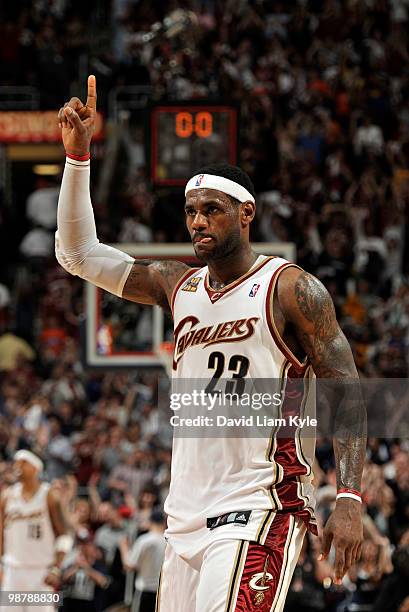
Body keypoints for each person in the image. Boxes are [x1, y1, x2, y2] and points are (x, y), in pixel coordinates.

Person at [56, 75, 366, 611]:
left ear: (246, 214)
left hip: (259, 504)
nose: (198, 221)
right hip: (184, 516)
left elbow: (348, 389)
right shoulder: (177, 285)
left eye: (213, 210)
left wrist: (349, 496)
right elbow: (78, 254)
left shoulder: (291, 288)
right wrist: (78, 159)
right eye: (192, 211)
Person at [0, 450, 73, 612]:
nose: (17, 466)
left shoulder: (49, 496)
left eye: (23, 462)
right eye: (16, 462)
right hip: (12, 571)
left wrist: (56, 568)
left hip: (41, 573)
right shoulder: (6, 496)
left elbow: (65, 536)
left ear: (36, 468)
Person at [119, 510, 166, 612]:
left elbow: (129, 565)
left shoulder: (144, 540)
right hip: (162, 592)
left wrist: (124, 547)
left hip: (144, 590)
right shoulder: (169, 540)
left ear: (150, 521)